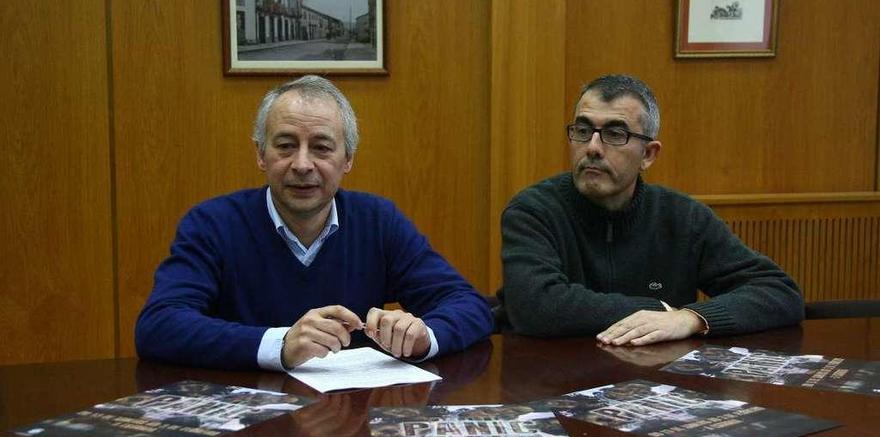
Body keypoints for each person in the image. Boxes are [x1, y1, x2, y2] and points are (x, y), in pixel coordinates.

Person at [136, 75, 492, 370]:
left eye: (321, 148)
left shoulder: (379, 221)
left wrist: (422, 337)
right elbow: (159, 325)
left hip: (351, 421)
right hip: (249, 432)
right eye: (286, 146)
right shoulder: (213, 224)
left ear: (347, 159)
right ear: (261, 155)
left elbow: (469, 305)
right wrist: (281, 344)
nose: (302, 164)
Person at [496, 74, 803, 346]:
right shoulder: (533, 210)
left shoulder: (682, 217)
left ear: (648, 155)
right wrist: (661, 310)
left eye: (615, 134)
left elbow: (779, 292)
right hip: (551, 384)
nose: (592, 147)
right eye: (582, 130)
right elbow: (536, 306)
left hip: (655, 386)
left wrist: (691, 318)